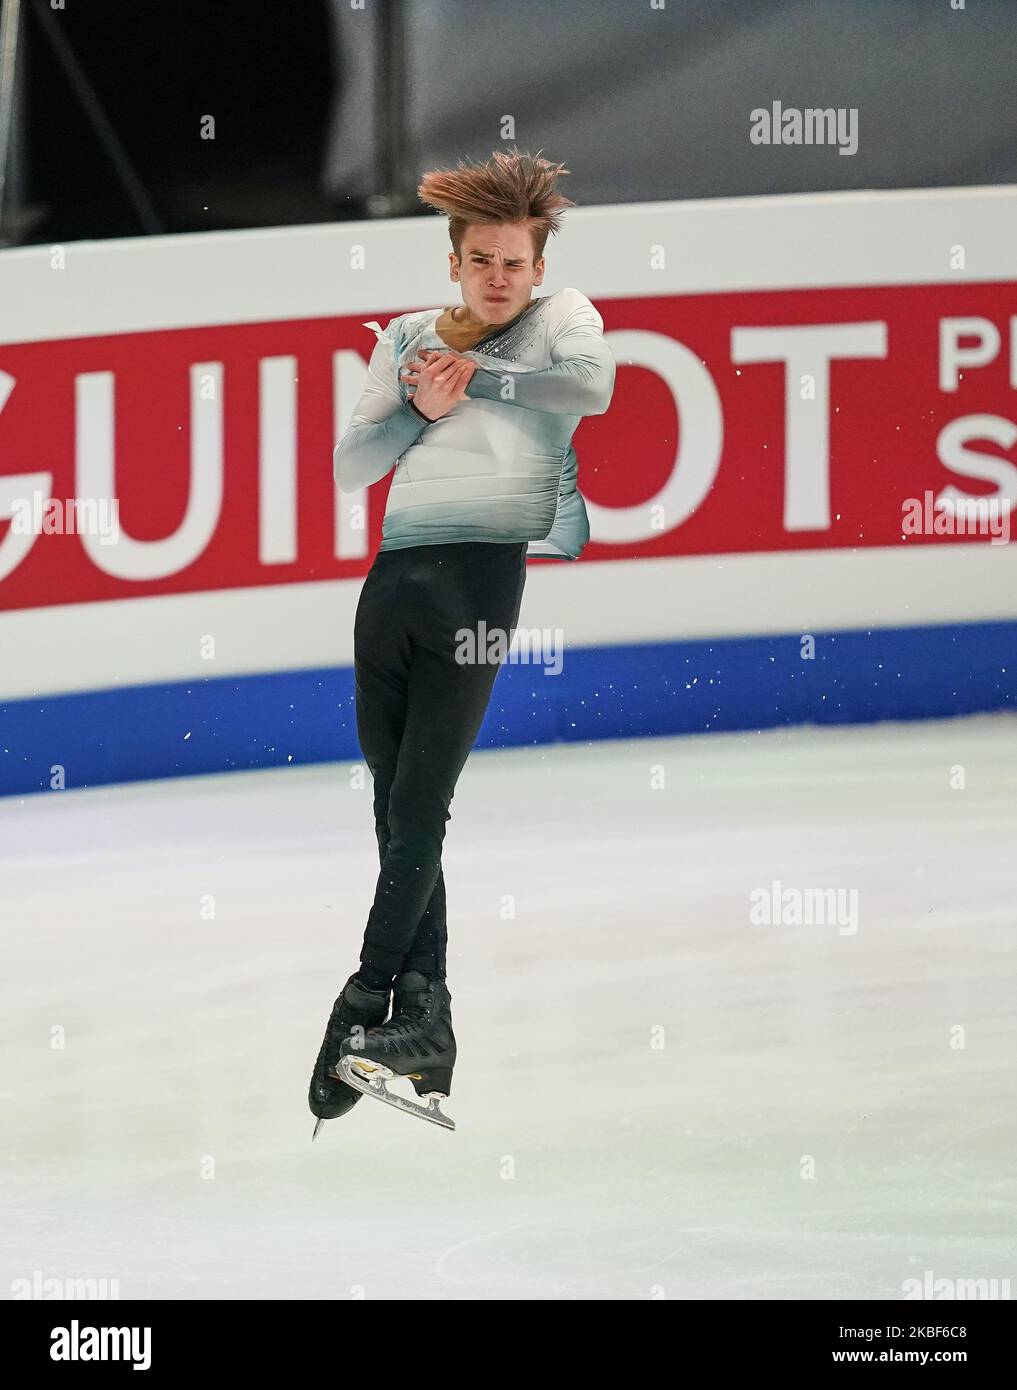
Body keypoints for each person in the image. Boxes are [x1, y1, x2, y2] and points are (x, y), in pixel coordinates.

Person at [309, 147, 615, 1134]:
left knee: (422, 803)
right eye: (480, 260)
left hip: (481, 588)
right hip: (391, 590)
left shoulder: (563, 318)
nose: (497, 277)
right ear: (454, 262)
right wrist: (416, 406)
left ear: (535, 267)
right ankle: (422, 1020)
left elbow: (589, 392)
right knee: (398, 814)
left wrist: (478, 383)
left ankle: (366, 998)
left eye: (513, 263)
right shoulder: (404, 338)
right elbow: (355, 466)